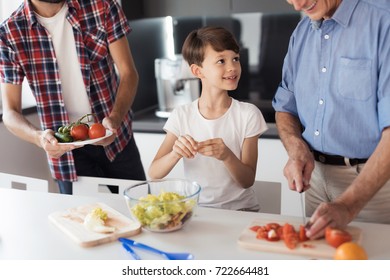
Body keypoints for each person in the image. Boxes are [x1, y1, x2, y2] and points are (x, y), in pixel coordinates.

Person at [0, 0, 146, 194]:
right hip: (66, 153)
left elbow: (129, 74)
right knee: (79, 222)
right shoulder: (10, 33)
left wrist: (116, 118)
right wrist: (39, 138)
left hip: (116, 139)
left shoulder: (101, 6)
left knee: (142, 213)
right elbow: (10, 113)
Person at [272, 0, 390, 239]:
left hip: (372, 189)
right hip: (314, 181)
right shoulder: (302, 32)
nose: (297, 5)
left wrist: (348, 205)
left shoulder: (383, 19)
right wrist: (296, 148)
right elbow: (286, 107)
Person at [148, 26, 268, 211]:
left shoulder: (248, 114)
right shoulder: (182, 116)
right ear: (198, 71)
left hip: (241, 212)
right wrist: (175, 153)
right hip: (198, 212)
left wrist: (227, 156)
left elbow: (247, 181)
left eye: (235, 59)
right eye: (221, 61)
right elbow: (154, 173)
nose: (232, 67)